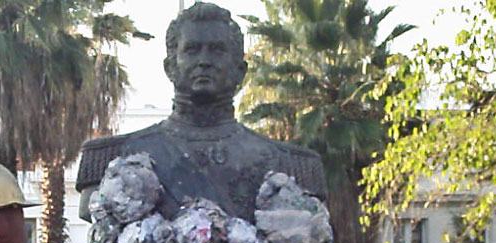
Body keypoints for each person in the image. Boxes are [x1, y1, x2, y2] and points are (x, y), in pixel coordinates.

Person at [76, 2, 326, 223]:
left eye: (217, 50)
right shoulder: (115, 158)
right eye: (192, 50)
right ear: (170, 68)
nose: (204, 61)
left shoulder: (290, 166)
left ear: (240, 71)